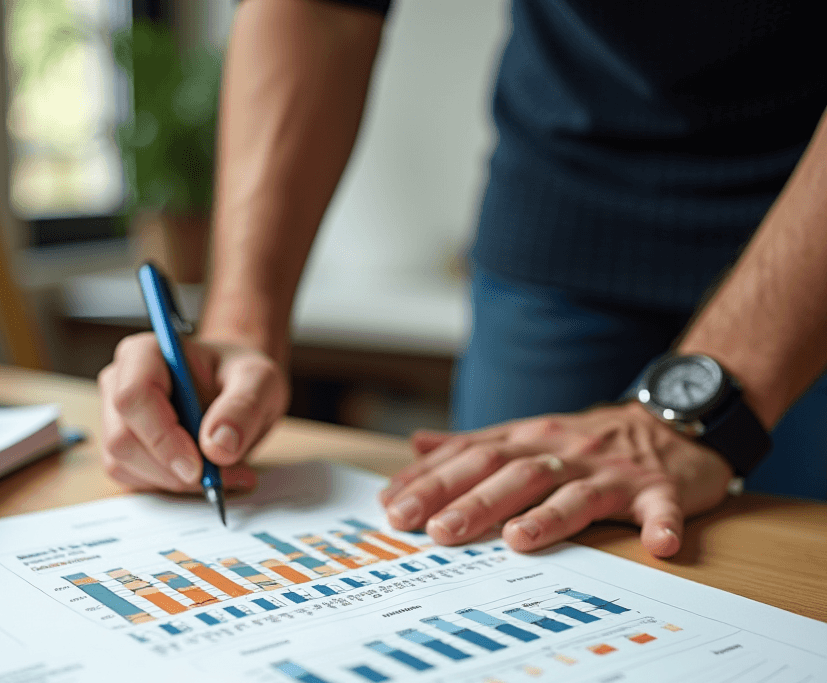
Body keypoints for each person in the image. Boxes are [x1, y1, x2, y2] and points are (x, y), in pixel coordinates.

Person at [98, 0, 827, 558]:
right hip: (562, 211)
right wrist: (239, 329)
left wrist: (692, 410)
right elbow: (322, 11)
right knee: (493, 551)